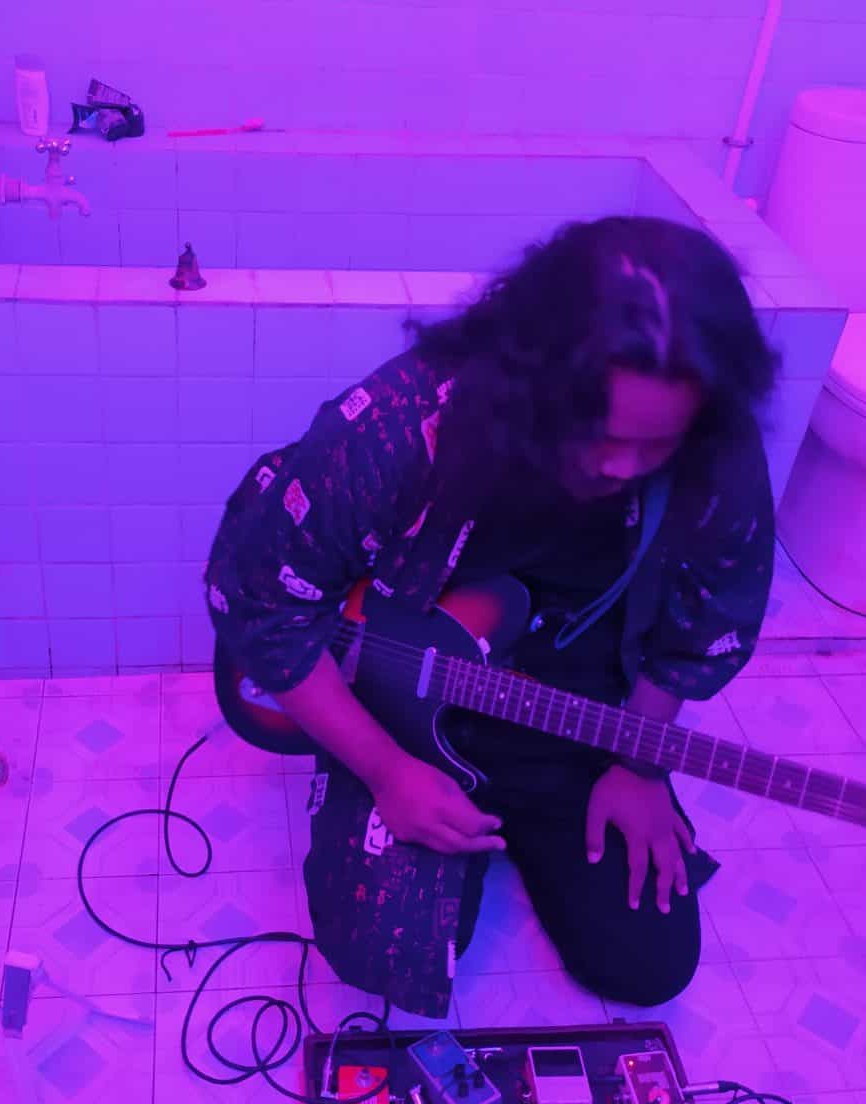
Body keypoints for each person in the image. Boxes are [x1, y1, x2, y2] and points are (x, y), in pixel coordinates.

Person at [204, 217, 780, 1019]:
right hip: (404, 711)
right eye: (601, 434)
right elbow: (266, 602)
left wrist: (641, 763)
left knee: (647, 967)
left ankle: (535, 813)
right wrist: (385, 771)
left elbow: (705, 618)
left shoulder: (711, 446)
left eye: (656, 446)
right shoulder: (403, 425)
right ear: (535, 382)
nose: (623, 466)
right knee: (380, 954)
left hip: (573, 719)